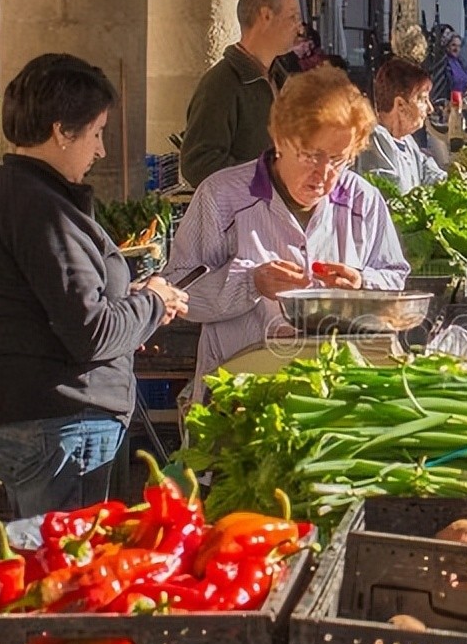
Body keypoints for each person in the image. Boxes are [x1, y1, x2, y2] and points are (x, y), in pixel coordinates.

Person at [0, 53, 189, 517]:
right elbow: (91, 330)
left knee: (44, 558)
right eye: (96, 133)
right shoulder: (40, 208)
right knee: (65, 570)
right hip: (60, 421)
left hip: (36, 414)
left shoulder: (6, 193)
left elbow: (59, 310)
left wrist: (131, 313)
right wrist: (151, 302)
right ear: (61, 131)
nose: (101, 150)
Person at [165, 65, 409, 402]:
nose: (323, 174)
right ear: (281, 140)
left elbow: (395, 279)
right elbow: (176, 293)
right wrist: (250, 283)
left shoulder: (363, 201)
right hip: (238, 393)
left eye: (339, 160)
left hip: (335, 396)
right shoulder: (221, 196)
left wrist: (362, 283)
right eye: (311, 155)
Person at [180, 0, 300, 187]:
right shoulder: (221, 84)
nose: (299, 28)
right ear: (266, 16)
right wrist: (267, 178)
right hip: (241, 215)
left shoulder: (283, 80)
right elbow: (198, 163)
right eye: (293, 17)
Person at [357, 57, 446, 194]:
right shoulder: (375, 139)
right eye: (422, 99)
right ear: (400, 105)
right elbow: (393, 195)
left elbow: (427, 170)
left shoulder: (406, 140)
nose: (430, 108)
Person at [430, 28, 467, 107]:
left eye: (459, 46)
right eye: (453, 45)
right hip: (449, 104)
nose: (456, 49)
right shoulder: (443, 63)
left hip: (463, 103)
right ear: (447, 46)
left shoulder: (462, 63)